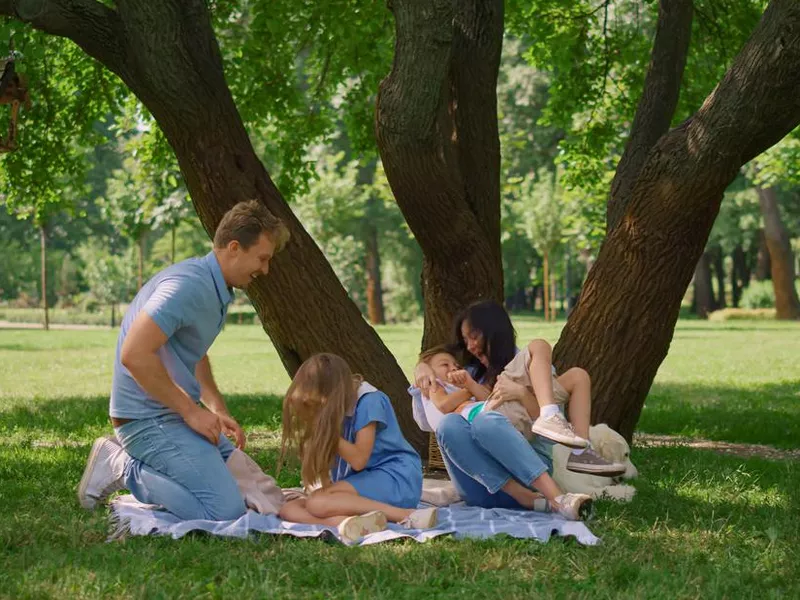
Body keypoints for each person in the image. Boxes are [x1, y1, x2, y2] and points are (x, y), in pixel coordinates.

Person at [77, 200, 289, 521]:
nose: (266, 269)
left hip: (171, 416)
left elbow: (194, 350)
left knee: (259, 494)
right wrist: (190, 411)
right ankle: (122, 466)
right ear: (234, 247)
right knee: (224, 510)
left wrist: (216, 409)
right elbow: (134, 354)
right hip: (147, 421)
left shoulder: (213, 287)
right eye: (262, 258)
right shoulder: (186, 286)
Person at [416, 300, 624, 476]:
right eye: (465, 339)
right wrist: (421, 367)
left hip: (529, 433)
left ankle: (580, 452)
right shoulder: (471, 370)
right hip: (497, 424)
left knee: (579, 376)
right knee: (539, 345)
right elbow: (437, 365)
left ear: (494, 332)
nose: (470, 346)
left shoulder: (530, 364)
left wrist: (522, 394)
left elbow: (545, 438)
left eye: (474, 336)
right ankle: (551, 416)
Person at [277, 353, 437, 541]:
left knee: (317, 504)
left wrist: (324, 429)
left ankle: (406, 515)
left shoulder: (368, 400)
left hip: (395, 477)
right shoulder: (334, 406)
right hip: (361, 482)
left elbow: (359, 459)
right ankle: (348, 523)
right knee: (289, 508)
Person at [414, 346, 534, 441]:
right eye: (445, 365)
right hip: (470, 420)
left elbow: (487, 398)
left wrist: (471, 385)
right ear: (429, 371)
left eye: (457, 365)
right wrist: (469, 389)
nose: (454, 368)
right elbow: (444, 405)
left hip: (475, 418)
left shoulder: (457, 387)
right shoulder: (435, 385)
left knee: (504, 406)